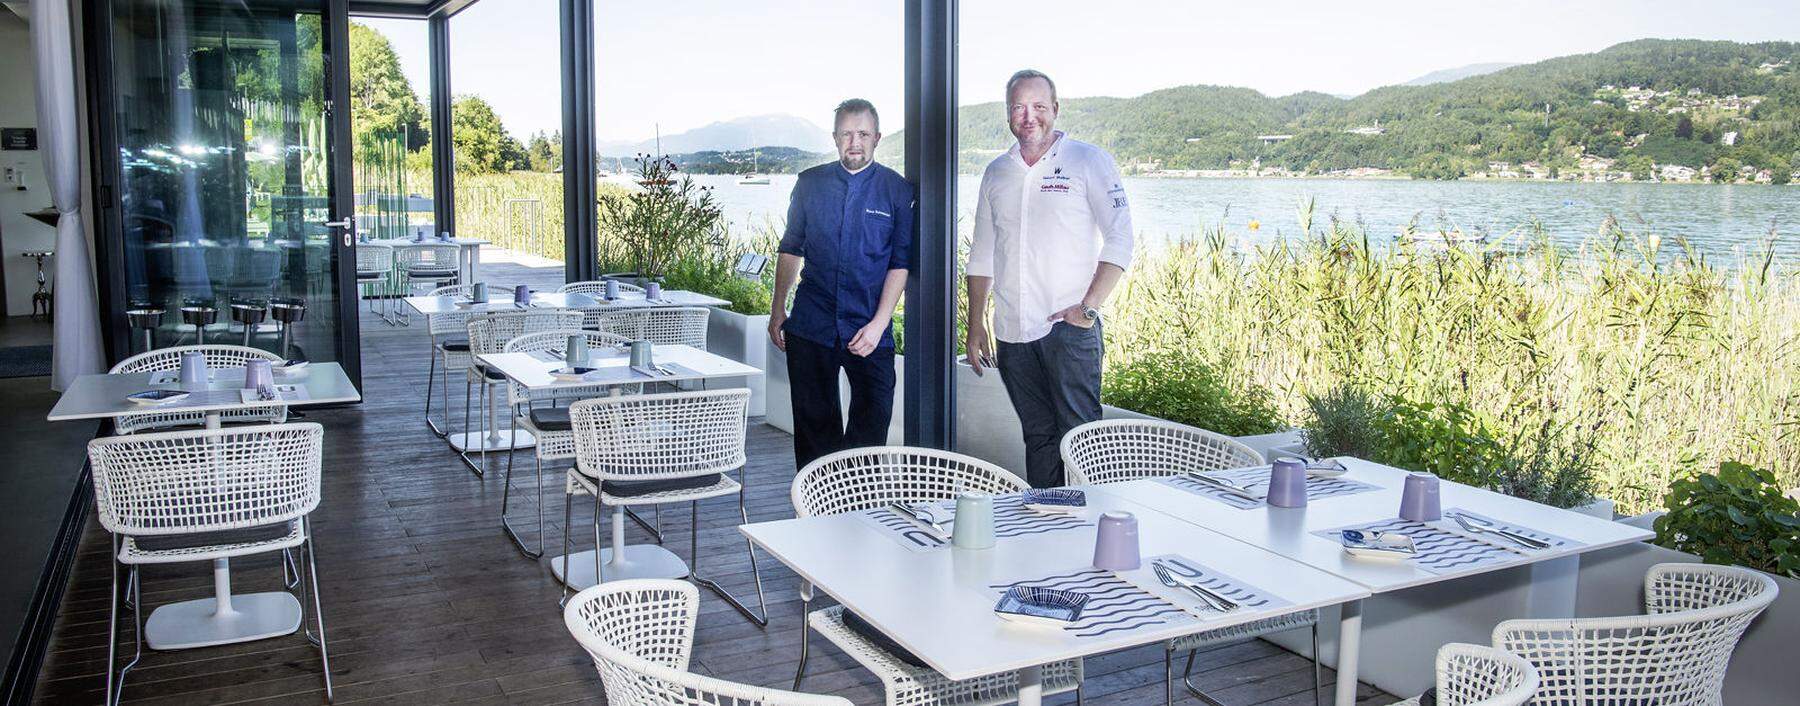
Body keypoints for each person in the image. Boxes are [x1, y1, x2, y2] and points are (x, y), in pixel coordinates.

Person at [966, 69, 1134, 488]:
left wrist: (1088, 309)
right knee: (1038, 438)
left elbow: (1120, 238)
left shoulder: (1087, 161)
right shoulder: (996, 172)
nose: (1029, 116)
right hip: (1011, 333)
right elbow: (982, 254)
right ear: (1008, 114)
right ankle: (1047, 524)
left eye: (1039, 107)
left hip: (1068, 329)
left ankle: (1090, 535)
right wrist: (974, 326)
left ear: (1055, 110)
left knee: (1081, 442)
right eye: (1019, 107)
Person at [770, 99, 916, 470]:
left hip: (870, 328)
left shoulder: (897, 191)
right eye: (847, 134)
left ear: (877, 138)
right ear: (835, 138)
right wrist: (777, 309)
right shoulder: (809, 184)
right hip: (811, 327)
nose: (855, 142)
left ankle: (856, 519)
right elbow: (790, 248)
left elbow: (900, 263)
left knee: (870, 434)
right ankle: (816, 518)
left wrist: (880, 324)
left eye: (863, 134)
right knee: (814, 436)